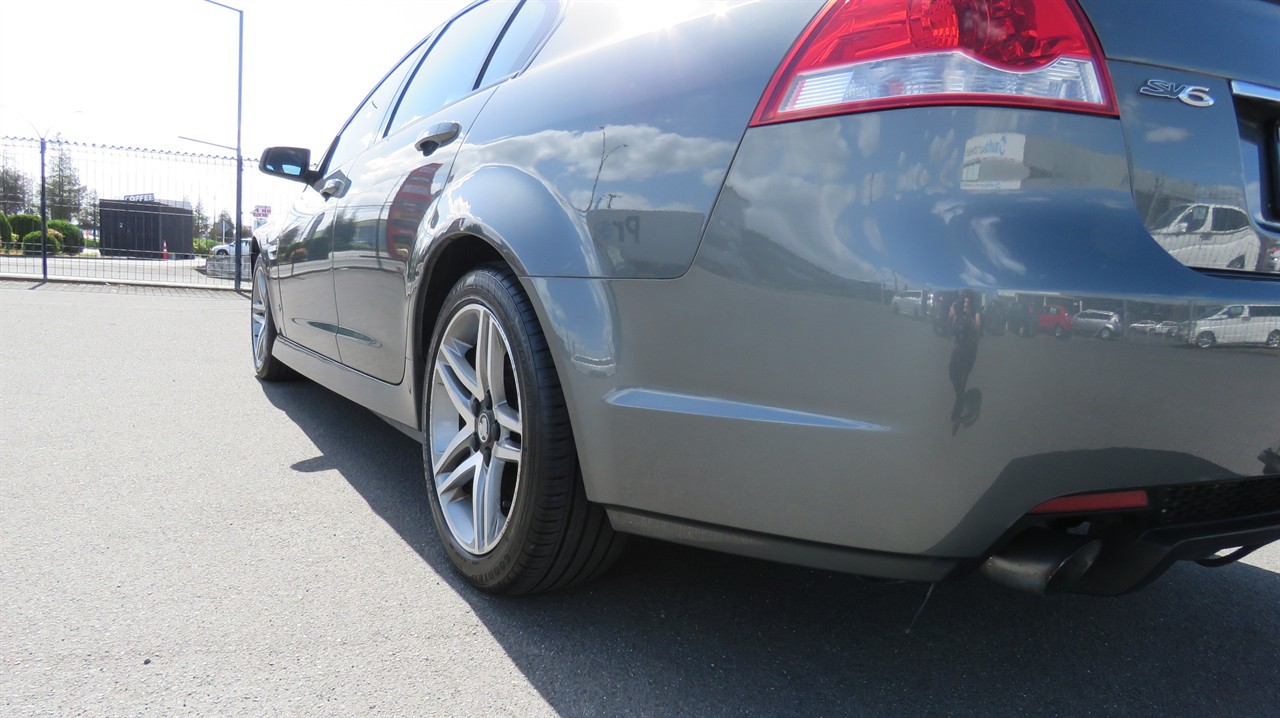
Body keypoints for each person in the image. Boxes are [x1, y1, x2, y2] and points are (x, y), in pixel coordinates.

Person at [948, 291, 982, 426]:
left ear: (972, 304)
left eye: (968, 302)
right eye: (964, 302)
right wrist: (955, 307)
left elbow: (978, 331)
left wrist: (969, 318)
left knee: (962, 378)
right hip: (958, 350)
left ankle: (958, 411)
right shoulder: (958, 312)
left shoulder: (975, 315)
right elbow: (950, 317)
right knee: (952, 374)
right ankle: (960, 397)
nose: (966, 304)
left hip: (969, 352)